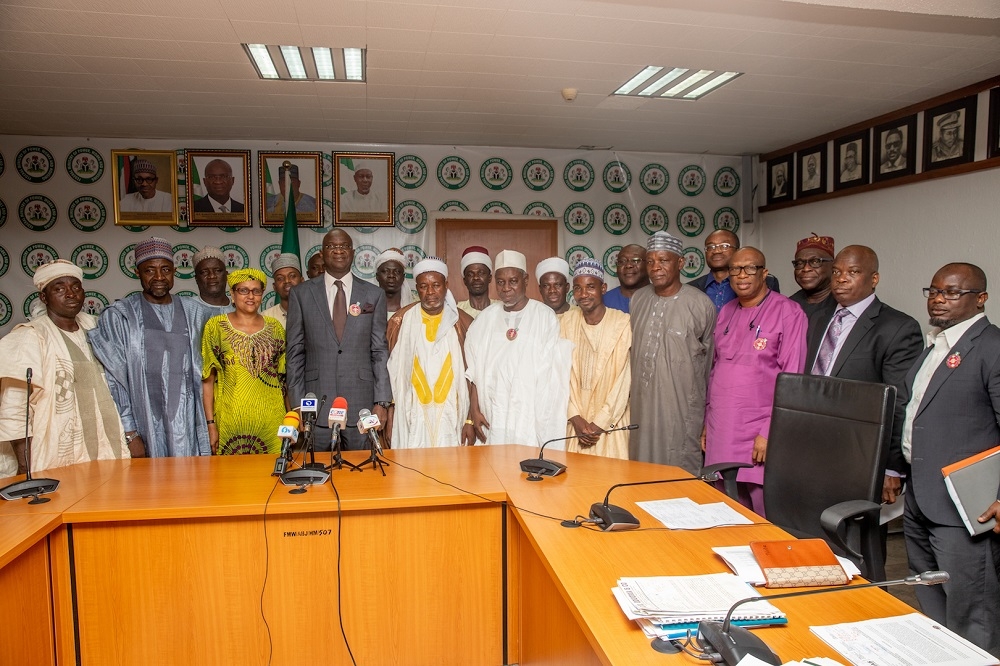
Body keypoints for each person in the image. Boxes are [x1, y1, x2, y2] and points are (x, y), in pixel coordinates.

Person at [901, 262, 1000, 657]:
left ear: (981, 299)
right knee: (930, 600)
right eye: (934, 290)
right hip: (920, 495)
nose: (939, 298)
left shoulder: (991, 347)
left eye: (953, 292)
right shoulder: (937, 344)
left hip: (966, 506)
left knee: (971, 610)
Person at [0, 261, 138, 477]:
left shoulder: (97, 329)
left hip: (107, 444)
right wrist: (24, 464)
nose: (70, 294)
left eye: (76, 287)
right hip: (57, 450)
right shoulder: (30, 336)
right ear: (44, 297)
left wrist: (130, 435)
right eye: (59, 288)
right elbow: (15, 409)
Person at [807, 245, 923, 501]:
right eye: (836, 272)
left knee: (854, 536)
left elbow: (899, 402)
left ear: (874, 279)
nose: (842, 278)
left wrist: (892, 467)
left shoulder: (897, 327)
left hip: (860, 455)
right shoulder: (817, 318)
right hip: (809, 447)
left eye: (853, 271)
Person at [703, 248, 807, 516]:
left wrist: (769, 432)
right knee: (724, 507)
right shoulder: (726, 311)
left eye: (750, 268)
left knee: (760, 507)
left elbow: (792, 378)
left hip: (758, 430)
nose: (741, 275)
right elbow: (715, 369)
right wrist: (706, 425)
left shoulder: (788, 312)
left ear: (764, 273)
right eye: (735, 269)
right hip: (722, 427)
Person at [88, 237, 211, 457]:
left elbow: (209, 375)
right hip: (145, 429)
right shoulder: (121, 316)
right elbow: (115, 382)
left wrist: (210, 425)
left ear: (174, 270)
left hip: (190, 429)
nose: (159, 277)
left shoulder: (194, 312)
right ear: (137, 272)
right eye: (150, 270)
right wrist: (130, 433)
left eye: (165, 269)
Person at [285, 229, 391, 451]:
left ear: (352, 253)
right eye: (332, 246)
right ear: (322, 254)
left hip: (362, 405)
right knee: (318, 476)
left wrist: (381, 402)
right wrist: (297, 404)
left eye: (344, 246)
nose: (338, 251)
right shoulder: (301, 294)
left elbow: (379, 352)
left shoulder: (373, 295)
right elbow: (295, 353)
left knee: (362, 477)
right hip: (317, 407)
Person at [463, 250, 572, 446]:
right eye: (500, 282)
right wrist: (474, 411)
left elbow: (552, 378)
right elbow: (473, 372)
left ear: (525, 279)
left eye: (513, 281)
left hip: (528, 416)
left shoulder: (544, 316)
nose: (506, 288)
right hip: (491, 414)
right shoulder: (484, 319)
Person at [630, 231, 716, 474]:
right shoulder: (638, 299)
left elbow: (710, 366)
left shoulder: (701, 305)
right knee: (638, 470)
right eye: (650, 261)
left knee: (677, 471)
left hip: (681, 409)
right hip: (641, 406)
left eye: (664, 260)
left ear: (680, 263)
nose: (655, 267)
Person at [385, 258, 474, 448]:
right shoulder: (400, 321)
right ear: (417, 288)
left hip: (453, 412)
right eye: (424, 286)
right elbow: (390, 372)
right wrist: (391, 411)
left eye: (436, 285)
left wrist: (469, 419)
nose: (430, 292)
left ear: (446, 286)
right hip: (411, 412)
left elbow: (475, 376)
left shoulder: (463, 322)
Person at [201, 269, 286, 456]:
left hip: (271, 421)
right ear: (232, 294)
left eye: (256, 291)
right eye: (243, 290)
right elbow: (208, 380)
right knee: (231, 482)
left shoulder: (275, 328)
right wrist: (210, 425)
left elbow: (284, 380)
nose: (251, 296)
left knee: (271, 478)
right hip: (231, 421)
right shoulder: (215, 327)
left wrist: (290, 421)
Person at [559, 259, 631, 459]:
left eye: (590, 287)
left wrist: (600, 423)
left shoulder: (623, 323)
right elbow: (558, 375)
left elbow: (625, 381)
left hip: (612, 425)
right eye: (578, 288)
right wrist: (574, 417)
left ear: (604, 288)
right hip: (575, 426)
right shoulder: (566, 323)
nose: (583, 294)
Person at [689, 229, 779, 312]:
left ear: (737, 250)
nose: (716, 251)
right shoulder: (690, 288)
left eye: (724, 246)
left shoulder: (766, 282)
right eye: (710, 247)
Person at [789, 233, 837, 324]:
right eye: (799, 263)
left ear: (833, 265)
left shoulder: (842, 303)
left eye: (815, 261)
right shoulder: (789, 304)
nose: (806, 268)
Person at [262, 253, 303, 329]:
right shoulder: (265, 318)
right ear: (275, 287)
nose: (287, 281)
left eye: (292, 276)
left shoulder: (314, 313)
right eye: (280, 278)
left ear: (302, 281)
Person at [604, 244, 648, 314]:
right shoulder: (603, 301)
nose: (628, 265)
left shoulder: (661, 298)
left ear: (648, 264)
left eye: (635, 260)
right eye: (622, 261)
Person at [457, 246, 498, 319]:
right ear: (464, 281)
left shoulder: (500, 309)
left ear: (490, 278)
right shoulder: (457, 312)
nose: (476, 277)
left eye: (481, 273)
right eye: (470, 274)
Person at [375, 248, 416, 319]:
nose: (391, 275)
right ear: (377, 276)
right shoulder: (366, 305)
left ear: (403, 277)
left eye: (397, 271)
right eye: (385, 271)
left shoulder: (414, 307)